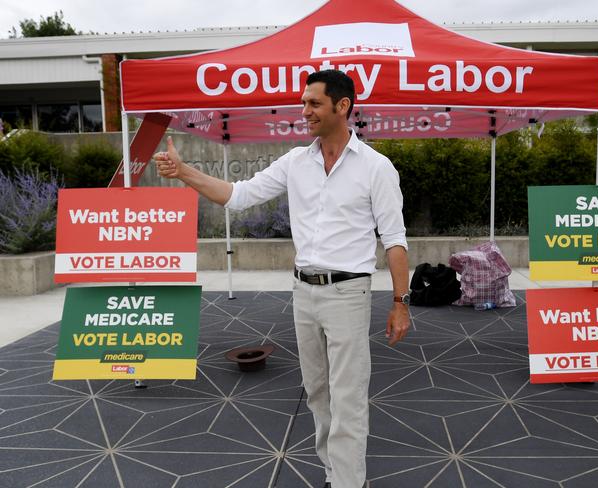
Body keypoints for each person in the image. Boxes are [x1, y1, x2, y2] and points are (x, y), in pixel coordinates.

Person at [154, 69, 410, 488]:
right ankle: (335, 473)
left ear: (342, 106)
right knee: (318, 394)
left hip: (349, 293)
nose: (304, 111)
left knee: (348, 399)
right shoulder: (296, 161)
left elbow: (395, 240)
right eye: (304, 102)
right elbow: (238, 196)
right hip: (303, 293)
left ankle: (349, 482)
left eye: (313, 103)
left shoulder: (376, 168)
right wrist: (184, 173)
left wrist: (402, 302)